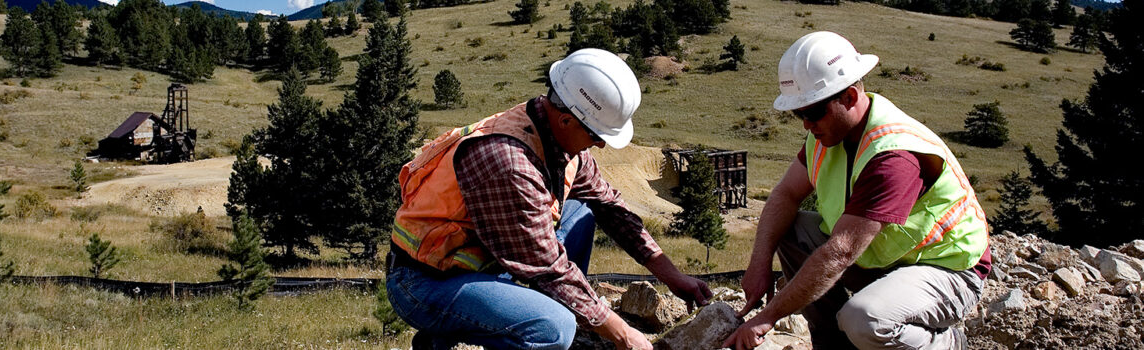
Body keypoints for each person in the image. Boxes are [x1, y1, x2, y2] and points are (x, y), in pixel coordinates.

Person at [386, 48, 712, 350]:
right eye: (597, 135)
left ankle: (534, 313)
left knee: (582, 212)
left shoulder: (554, 131)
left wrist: (672, 275)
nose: (599, 146)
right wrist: (622, 333)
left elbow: (611, 208)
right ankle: (457, 330)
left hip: (485, 264)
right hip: (426, 282)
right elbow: (547, 267)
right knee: (553, 328)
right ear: (567, 120)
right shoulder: (509, 163)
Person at [724, 31, 992, 350]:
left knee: (865, 320)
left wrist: (767, 317)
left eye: (812, 113)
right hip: (884, 259)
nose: (806, 125)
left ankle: (947, 343)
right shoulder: (828, 134)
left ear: (849, 97)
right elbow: (785, 195)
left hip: (947, 268)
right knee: (792, 229)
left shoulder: (894, 157)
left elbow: (839, 253)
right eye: (799, 114)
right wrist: (759, 263)